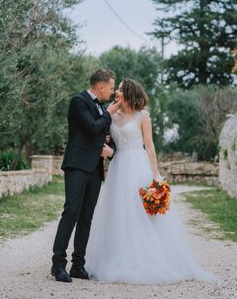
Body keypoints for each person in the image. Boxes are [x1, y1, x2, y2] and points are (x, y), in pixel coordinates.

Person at [84, 78, 215, 284]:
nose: (116, 92)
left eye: (119, 89)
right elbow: (103, 138)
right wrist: (106, 144)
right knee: (120, 211)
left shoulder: (142, 115)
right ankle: (119, 257)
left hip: (138, 165)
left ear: (129, 93)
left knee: (141, 211)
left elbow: (150, 145)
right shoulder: (111, 115)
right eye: (115, 89)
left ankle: (150, 258)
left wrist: (156, 174)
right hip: (118, 167)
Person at [51, 69, 120, 283]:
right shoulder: (78, 101)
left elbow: (103, 135)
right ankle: (58, 265)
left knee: (86, 217)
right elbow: (92, 127)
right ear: (100, 87)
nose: (112, 91)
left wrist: (111, 147)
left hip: (95, 169)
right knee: (71, 211)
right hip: (77, 165)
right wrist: (109, 113)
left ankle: (77, 265)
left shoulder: (100, 107)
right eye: (110, 87)